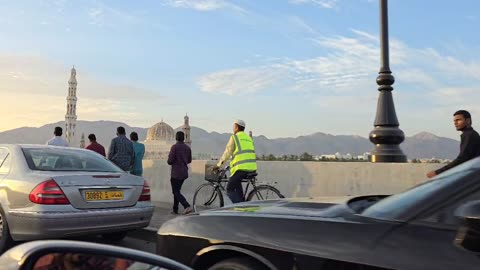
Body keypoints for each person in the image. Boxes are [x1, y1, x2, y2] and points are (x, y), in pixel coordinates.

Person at [427, 110, 480, 178]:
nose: (455, 123)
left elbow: (462, 159)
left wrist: (437, 172)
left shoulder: (469, 135)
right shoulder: (470, 134)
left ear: (468, 121)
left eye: (458, 120)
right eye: (454, 121)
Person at [214, 120, 257, 203]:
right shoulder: (249, 138)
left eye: (234, 126)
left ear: (237, 127)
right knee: (237, 186)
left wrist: (219, 165)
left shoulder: (235, 137)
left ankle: (241, 209)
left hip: (241, 169)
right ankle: (242, 204)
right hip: (252, 168)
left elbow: (227, 152)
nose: (233, 128)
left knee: (229, 189)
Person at [167, 131, 193, 214]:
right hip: (184, 172)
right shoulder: (187, 148)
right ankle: (175, 209)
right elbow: (189, 160)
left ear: (176, 138)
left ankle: (187, 205)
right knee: (177, 191)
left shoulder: (174, 147)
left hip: (175, 173)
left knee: (175, 191)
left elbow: (170, 161)